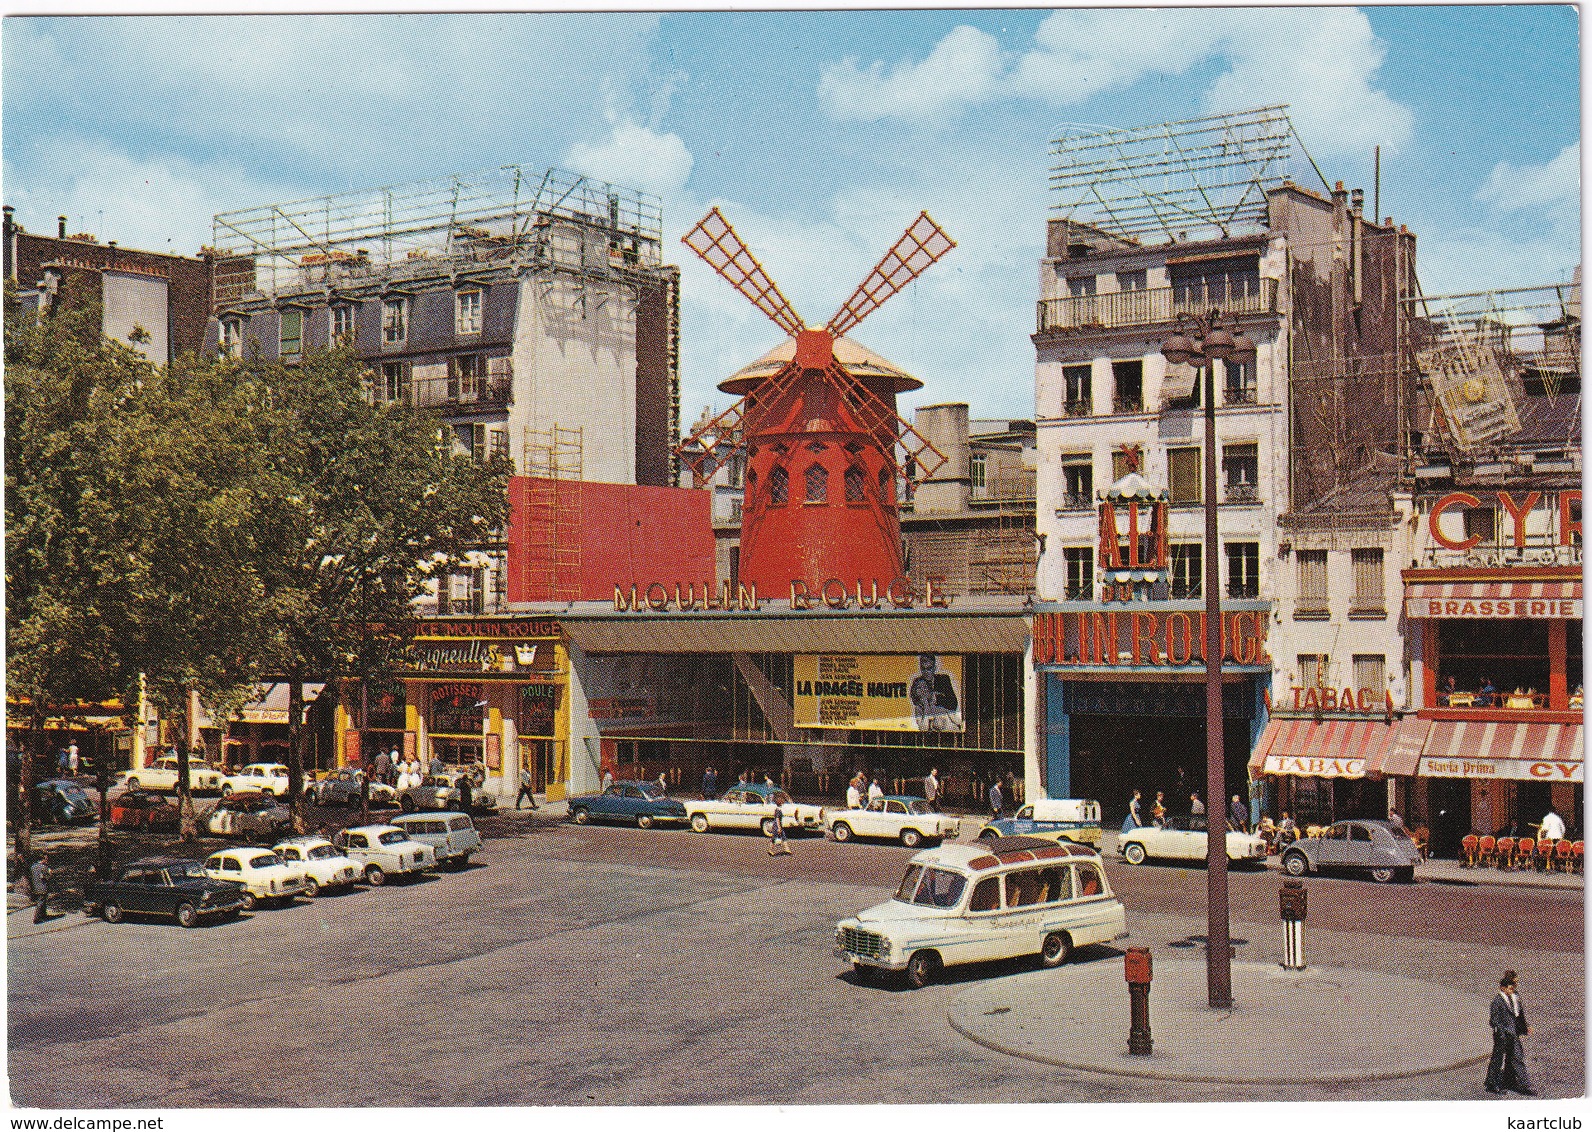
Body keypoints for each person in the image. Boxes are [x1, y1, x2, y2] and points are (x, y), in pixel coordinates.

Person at [1485, 971, 1535, 1095]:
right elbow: (1494, 1021)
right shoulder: (1497, 1001)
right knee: (1497, 1059)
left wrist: (1524, 1027)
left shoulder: (1515, 996)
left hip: (1513, 1034)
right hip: (1502, 1036)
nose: (1513, 989)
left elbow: (1519, 1014)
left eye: (1514, 986)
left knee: (1517, 1058)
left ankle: (1524, 1085)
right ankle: (1492, 1083)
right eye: (1511, 987)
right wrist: (1501, 1033)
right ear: (1503, 987)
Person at [908, 654, 961, 731]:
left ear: (934, 668)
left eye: (929, 668)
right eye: (923, 669)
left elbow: (953, 704)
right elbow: (915, 700)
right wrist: (925, 702)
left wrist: (935, 698)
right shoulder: (917, 682)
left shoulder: (944, 679)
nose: (926, 672)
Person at [29, 852, 51, 924]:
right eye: (46, 859)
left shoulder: (33, 867)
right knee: (41, 902)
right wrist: (50, 873)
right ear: (43, 859)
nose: (47, 860)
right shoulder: (44, 867)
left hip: (35, 886)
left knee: (42, 901)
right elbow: (46, 877)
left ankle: (43, 915)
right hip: (43, 887)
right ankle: (37, 918)